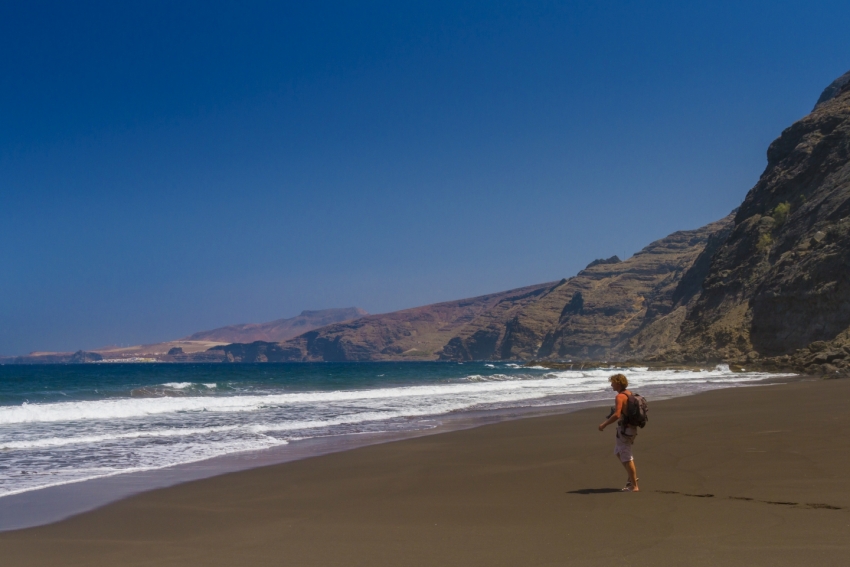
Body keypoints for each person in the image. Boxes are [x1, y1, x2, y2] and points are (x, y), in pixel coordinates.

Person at [598, 373, 639, 492]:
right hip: (631, 428)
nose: (611, 385)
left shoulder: (620, 397)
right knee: (618, 452)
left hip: (625, 429)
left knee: (626, 457)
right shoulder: (629, 393)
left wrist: (604, 424)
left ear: (618, 383)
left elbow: (617, 414)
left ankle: (634, 485)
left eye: (613, 382)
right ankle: (632, 478)